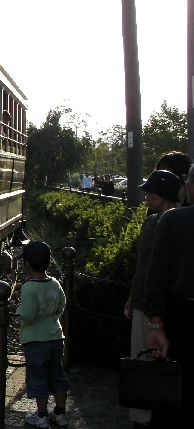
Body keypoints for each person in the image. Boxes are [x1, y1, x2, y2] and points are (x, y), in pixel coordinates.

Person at [122, 169, 180, 428]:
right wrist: (132, 296)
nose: (146, 196)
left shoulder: (165, 223)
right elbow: (141, 265)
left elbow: (149, 267)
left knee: (144, 358)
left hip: (153, 304)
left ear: (163, 194)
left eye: (151, 192)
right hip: (147, 301)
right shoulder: (153, 222)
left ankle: (145, 416)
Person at [142, 163, 194, 428]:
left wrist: (156, 326)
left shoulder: (174, 220)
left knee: (172, 398)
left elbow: (156, 277)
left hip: (182, 317)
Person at [17, 241, 71, 428]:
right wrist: (52, 318)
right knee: (57, 375)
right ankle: (60, 413)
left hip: (35, 340)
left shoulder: (28, 288)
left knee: (38, 377)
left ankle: (41, 415)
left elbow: (28, 314)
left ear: (27, 265)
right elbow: (62, 304)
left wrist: (19, 310)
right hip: (56, 336)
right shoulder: (55, 283)